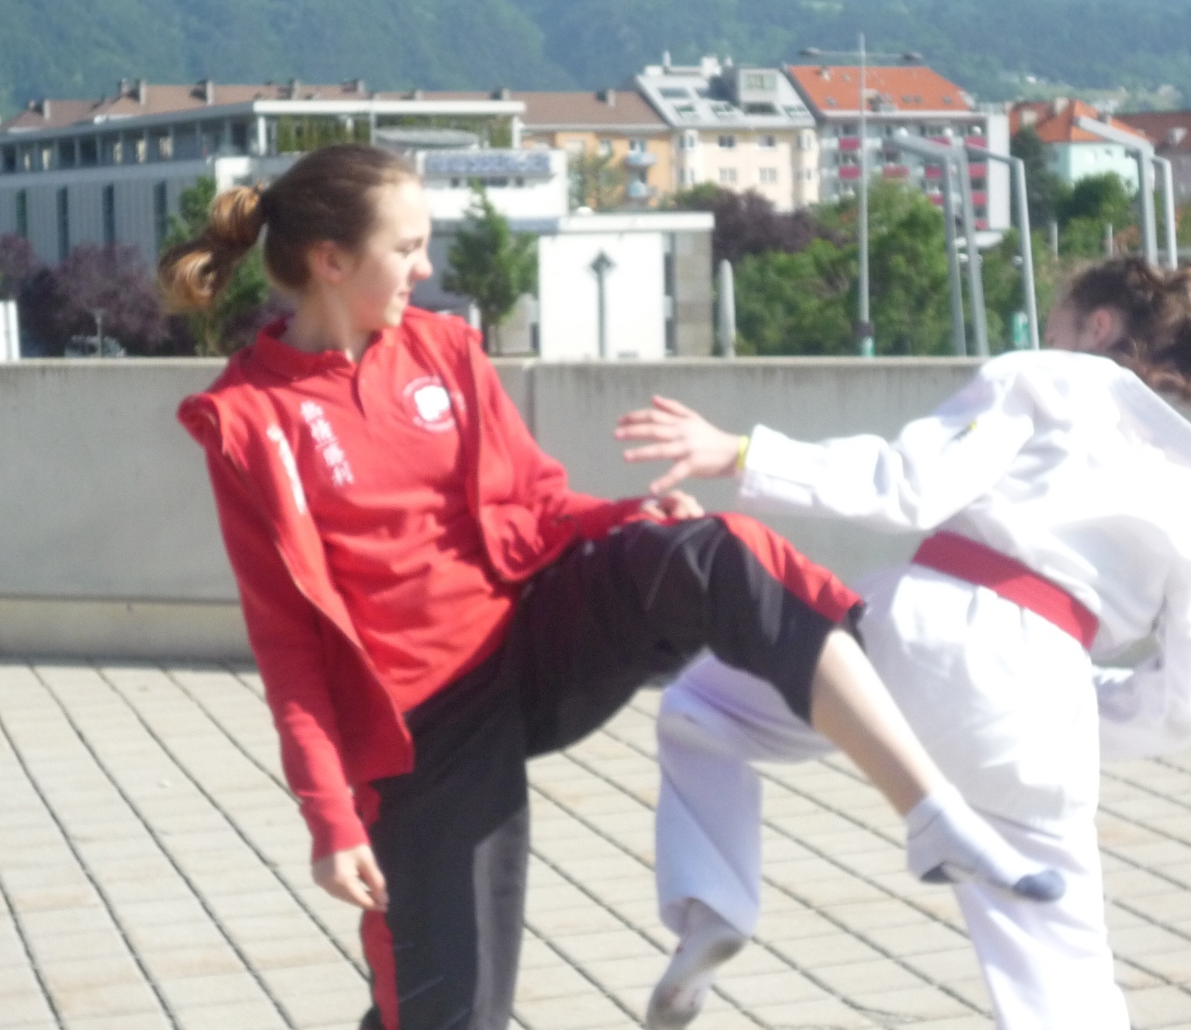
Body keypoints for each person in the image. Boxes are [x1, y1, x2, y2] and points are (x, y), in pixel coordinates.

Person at [161, 144, 1061, 1030]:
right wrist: (330, 816)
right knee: (453, 1015)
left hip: (531, 638)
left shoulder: (442, 349)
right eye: (407, 248)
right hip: (425, 732)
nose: (426, 268)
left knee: (711, 552)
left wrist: (630, 515)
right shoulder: (248, 422)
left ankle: (930, 811)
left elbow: (533, 503)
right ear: (330, 260)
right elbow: (289, 645)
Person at [616, 257, 1191, 1029]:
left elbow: (906, 484)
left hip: (919, 633)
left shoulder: (1046, 377)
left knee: (701, 710)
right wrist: (1081, 709)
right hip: (1044, 697)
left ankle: (712, 905)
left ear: (1098, 326)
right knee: (1063, 978)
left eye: (1057, 322)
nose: (1048, 335)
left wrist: (747, 452)